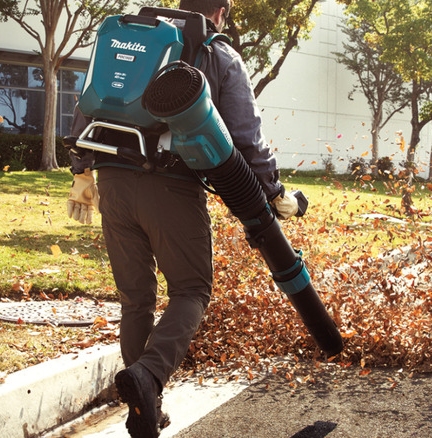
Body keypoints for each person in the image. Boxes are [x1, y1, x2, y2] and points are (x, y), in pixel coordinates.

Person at [66, 0, 299, 436]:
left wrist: (80, 170)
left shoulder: (133, 39)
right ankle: (148, 376)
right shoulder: (216, 52)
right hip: (169, 182)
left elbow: (89, 101)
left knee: (135, 298)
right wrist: (274, 191)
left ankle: (144, 412)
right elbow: (246, 136)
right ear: (221, 13)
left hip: (111, 182)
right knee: (191, 290)